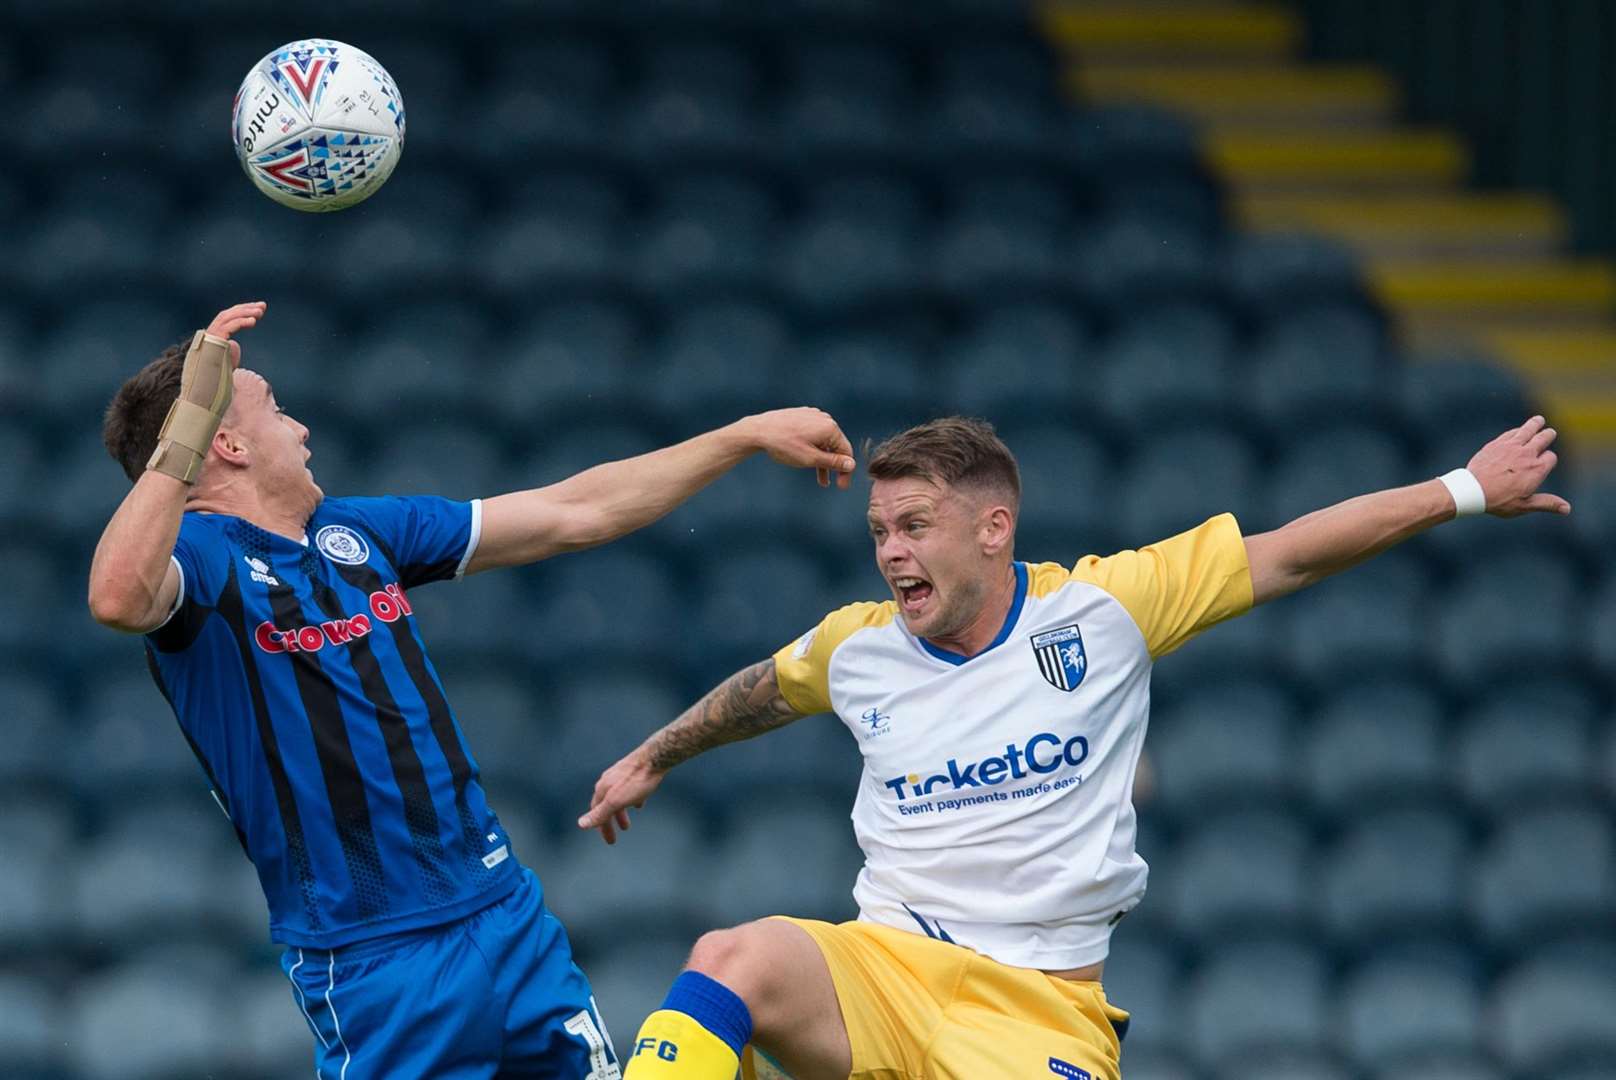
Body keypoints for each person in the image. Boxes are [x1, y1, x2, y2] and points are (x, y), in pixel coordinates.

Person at [579, 415, 1570, 1080]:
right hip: (883, 972)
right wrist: (655, 755)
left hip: (1037, 1013)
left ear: (992, 529)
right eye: (880, 530)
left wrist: (1463, 489)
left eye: (914, 526)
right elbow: (760, 691)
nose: (889, 552)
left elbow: (1293, 551)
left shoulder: (1104, 610)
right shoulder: (856, 644)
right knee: (729, 961)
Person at [88, 300, 857, 1079]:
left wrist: (740, 437)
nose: (302, 431)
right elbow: (116, 598)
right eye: (277, 413)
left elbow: (574, 510)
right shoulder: (201, 561)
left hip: (504, 917)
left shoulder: (356, 534)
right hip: (373, 960)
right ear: (224, 443)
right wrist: (186, 418)